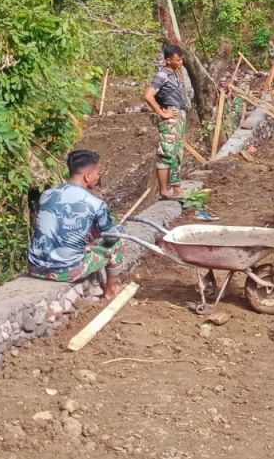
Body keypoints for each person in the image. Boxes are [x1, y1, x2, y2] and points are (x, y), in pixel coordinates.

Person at [27, 150, 126, 299]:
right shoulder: (95, 203)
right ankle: (112, 289)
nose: (99, 178)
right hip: (66, 270)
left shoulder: (47, 195)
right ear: (87, 175)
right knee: (118, 240)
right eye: (98, 173)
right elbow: (110, 238)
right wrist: (119, 229)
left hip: (35, 268)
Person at [144, 44, 188, 200]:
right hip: (170, 118)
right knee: (167, 153)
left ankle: (175, 187)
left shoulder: (175, 73)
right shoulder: (162, 75)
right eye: (178, 59)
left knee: (176, 154)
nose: (181, 62)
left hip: (179, 118)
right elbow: (148, 95)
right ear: (168, 60)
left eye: (181, 59)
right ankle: (165, 190)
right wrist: (162, 113)